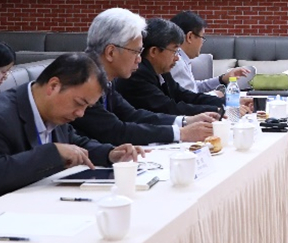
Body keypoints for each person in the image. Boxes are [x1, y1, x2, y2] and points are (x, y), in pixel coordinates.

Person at [0, 53, 143, 214]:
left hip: (38, 209)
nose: (81, 114)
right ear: (53, 86)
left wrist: (109, 153)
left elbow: (74, 144)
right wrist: (52, 152)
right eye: (79, 103)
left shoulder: (53, 110)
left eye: (87, 107)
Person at [72, 8, 215, 146]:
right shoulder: (81, 79)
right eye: (135, 52)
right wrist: (180, 133)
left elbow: (132, 115)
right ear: (111, 52)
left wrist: (185, 121)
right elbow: (115, 131)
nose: (139, 59)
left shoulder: (104, 78)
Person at [118, 18, 226, 116]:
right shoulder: (138, 75)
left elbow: (184, 96)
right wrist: (218, 110)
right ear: (154, 51)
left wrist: (225, 103)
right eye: (174, 51)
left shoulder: (162, 72)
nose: (177, 58)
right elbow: (169, 108)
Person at [169, 11, 250, 94]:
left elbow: (193, 87)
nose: (202, 43)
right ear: (190, 37)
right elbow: (188, 98)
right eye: (202, 37)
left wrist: (222, 79)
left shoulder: (182, 59)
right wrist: (216, 95)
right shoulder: (177, 62)